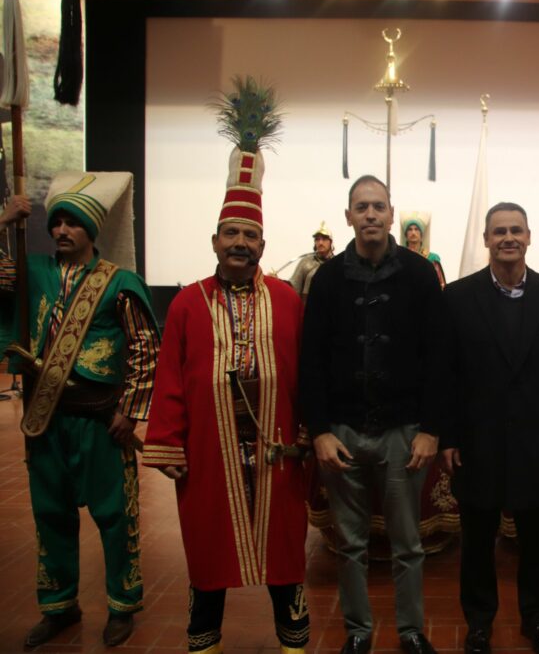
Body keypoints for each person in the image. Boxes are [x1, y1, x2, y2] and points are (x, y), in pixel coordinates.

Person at [142, 89, 310, 654]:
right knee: (208, 552)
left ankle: (293, 643)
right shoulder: (187, 304)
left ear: (263, 243)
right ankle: (204, 641)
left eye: (250, 236)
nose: (241, 243)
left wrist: (309, 432)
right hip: (209, 456)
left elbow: (306, 373)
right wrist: (167, 441)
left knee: (284, 553)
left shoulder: (287, 300)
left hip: (277, 454)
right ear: (215, 241)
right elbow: (170, 377)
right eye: (231, 234)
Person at [0, 173, 159, 648]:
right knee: (51, 515)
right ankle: (59, 606)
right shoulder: (32, 272)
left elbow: (145, 349)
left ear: (91, 229)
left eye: (72, 223)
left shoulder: (119, 282)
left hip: (100, 421)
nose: (61, 230)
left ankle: (122, 605)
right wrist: (3, 220)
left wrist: (130, 411)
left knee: (115, 516)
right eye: (57, 222)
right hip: (45, 419)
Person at [300, 175, 445, 654]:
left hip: (403, 432)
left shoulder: (420, 275)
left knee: (407, 544)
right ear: (348, 216)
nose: (370, 215)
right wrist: (319, 431)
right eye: (361, 207)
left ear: (391, 214)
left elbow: (438, 358)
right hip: (342, 431)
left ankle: (411, 631)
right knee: (350, 544)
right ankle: (358, 631)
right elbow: (311, 361)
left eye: (378, 206)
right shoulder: (327, 279)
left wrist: (431, 429)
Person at [441, 202, 539, 654]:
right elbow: (445, 375)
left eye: (516, 230)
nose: (508, 238)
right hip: (477, 442)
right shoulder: (457, 297)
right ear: (486, 239)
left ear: (529, 237)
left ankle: (538, 621)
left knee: (536, 543)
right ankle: (479, 624)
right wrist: (447, 436)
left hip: (535, 442)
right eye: (499, 231)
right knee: (476, 542)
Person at [289, 221, 334, 301]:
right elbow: (293, 287)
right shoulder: (306, 262)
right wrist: (278, 282)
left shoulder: (336, 264)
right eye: (317, 239)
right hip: (307, 305)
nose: (320, 243)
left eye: (324, 239)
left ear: (330, 242)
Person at [401, 211, 446, 287]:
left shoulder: (432, 258)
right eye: (410, 229)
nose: (413, 232)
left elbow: (440, 285)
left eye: (416, 229)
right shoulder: (399, 258)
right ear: (406, 234)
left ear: (421, 234)